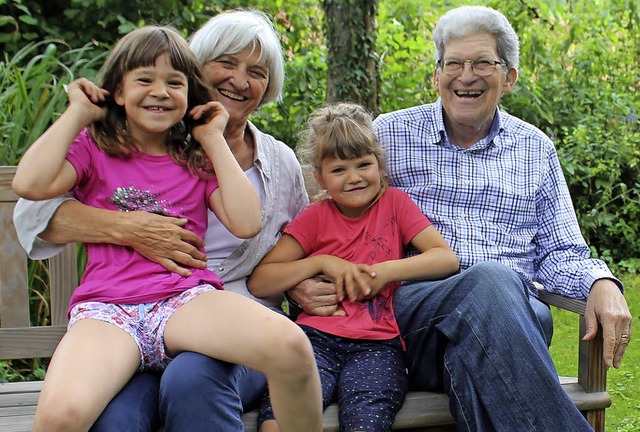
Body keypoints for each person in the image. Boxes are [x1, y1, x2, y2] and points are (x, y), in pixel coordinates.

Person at [286, 5, 633, 431]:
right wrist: (303, 279)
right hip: (412, 319)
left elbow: (562, 250)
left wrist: (601, 281)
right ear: (436, 75)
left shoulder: (535, 149)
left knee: (488, 316)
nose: (466, 76)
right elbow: (329, 212)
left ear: (509, 77)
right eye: (454, 63)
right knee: (490, 282)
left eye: (483, 62)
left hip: (514, 323)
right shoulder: (389, 135)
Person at [12, 24, 322, 432]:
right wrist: (78, 114)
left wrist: (211, 138)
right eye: (144, 80)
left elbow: (247, 222)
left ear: (189, 95)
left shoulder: (195, 156)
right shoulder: (93, 147)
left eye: (173, 83)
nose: (159, 91)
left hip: (183, 299)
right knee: (60, 416)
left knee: (290, 346)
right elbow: (29, 186)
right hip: (109, 310)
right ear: (118, 92)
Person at [247, 103, 459, 432]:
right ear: (319, 177)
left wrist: (386, 272)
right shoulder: (315, 218)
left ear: (379, 164)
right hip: (312, 340)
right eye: (339, 170)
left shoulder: (396, 204)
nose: (355, 177)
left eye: (363, 164)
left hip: (378, 345)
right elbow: (261, 281)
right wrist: (320, 262)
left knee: (367, 420)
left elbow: (445, 258)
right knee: (279, 417)